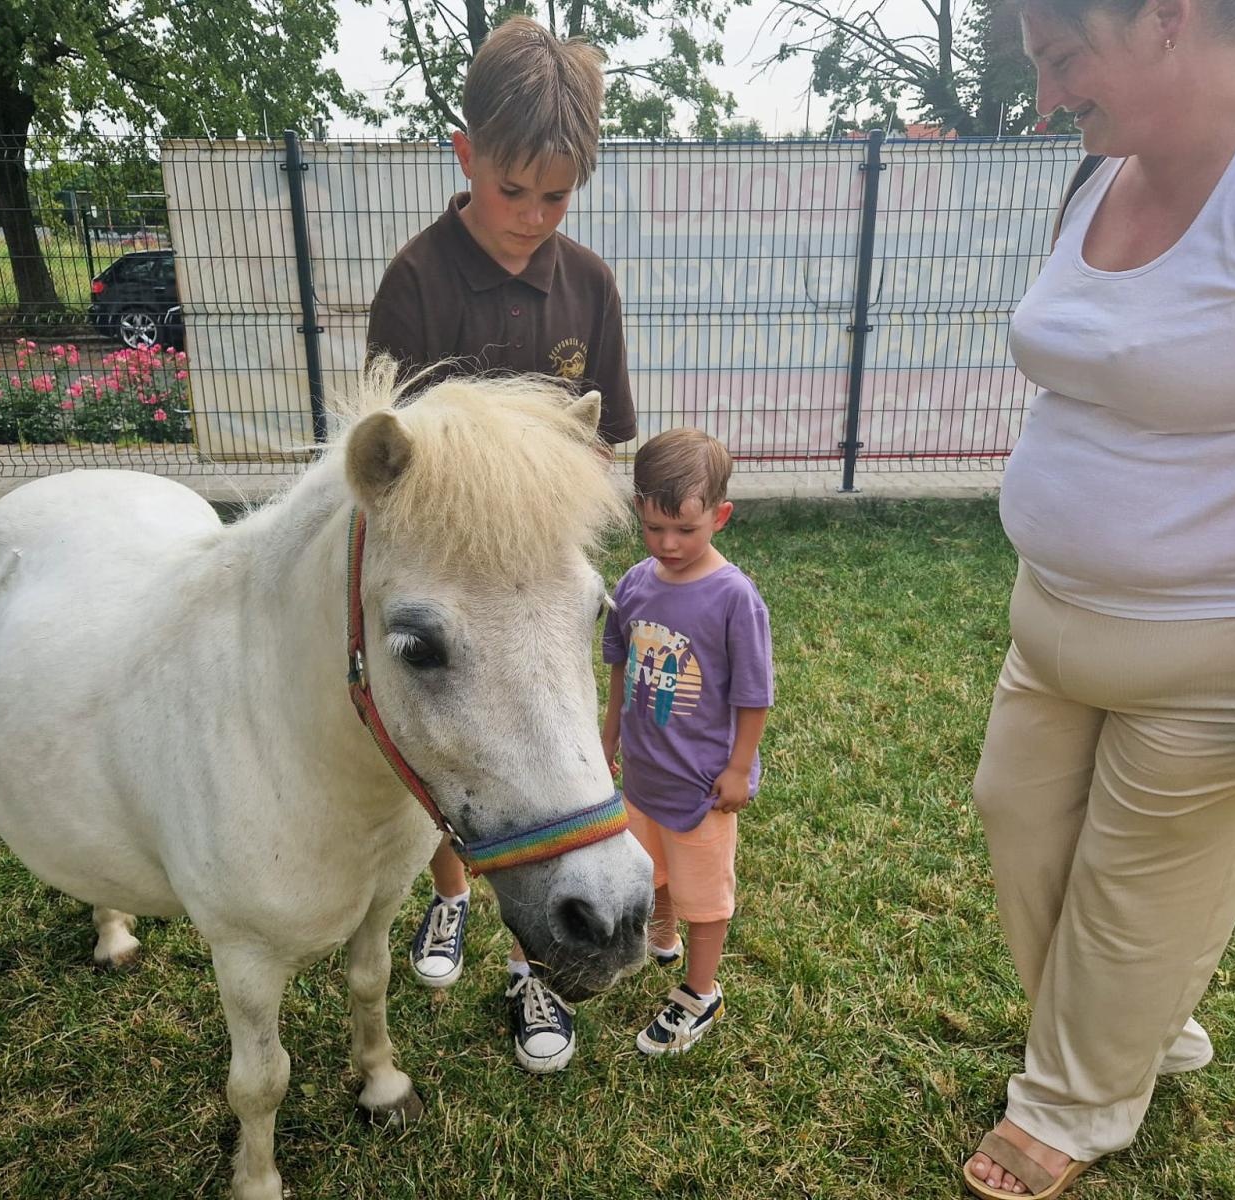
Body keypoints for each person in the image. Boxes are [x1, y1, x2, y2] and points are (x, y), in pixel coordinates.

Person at [964, 0, 1235, 1195]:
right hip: (1052, 623)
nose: (1047, 99)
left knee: (1134, 896)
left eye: (1060, 59)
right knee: (1019, 824)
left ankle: (1074, 1103)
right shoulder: (1104, 172)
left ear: (1165, 16)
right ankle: (1137, 1029)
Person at [364, 14, 637, 1075]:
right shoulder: (417, 281)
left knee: (544, 763)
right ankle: (447, 899)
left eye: (555, 196)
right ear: (464, 153)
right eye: (511, 189)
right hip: (454, 583)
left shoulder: (589, 287)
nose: (530, 217)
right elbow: (394, 473)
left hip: (535, 591)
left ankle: (538, 971)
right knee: (453, 743)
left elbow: (598, 447)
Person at [600, 428, 773, 1056]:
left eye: (685, 529)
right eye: (653, 528)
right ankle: (661, 937)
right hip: (643, 777)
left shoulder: (733, 598)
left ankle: (700, 992)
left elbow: (753, 694)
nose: (668, 544)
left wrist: (739, 767)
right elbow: (621, 669)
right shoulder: (635, 584)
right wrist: (610, 733)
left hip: (702, 786)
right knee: (652, 872)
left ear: (720, 517)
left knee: (706, 896)